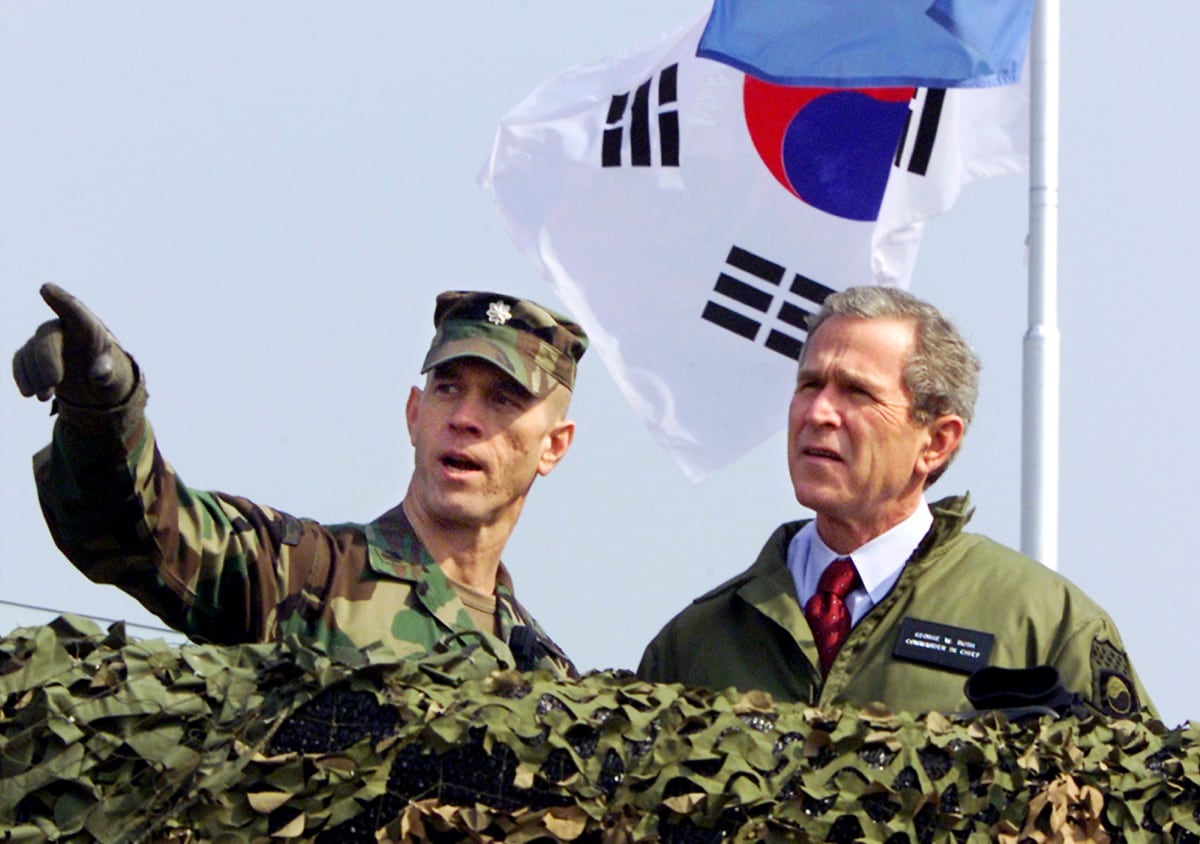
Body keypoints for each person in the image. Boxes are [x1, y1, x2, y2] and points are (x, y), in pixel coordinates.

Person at [13, 284, 587, 677]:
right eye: (448, 388)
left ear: (553, 446)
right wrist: (104, 405)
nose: (464, 417)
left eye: (502, 399)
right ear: (414, 413)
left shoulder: (545, 675)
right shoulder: (306, 575)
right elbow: (145, 531)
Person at [638, 286, 1154, 719]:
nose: (819, 412)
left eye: (857, 393)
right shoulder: (698, 641)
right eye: (810, 384)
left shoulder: (1044, 625)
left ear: (936, 442)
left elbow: (1147, 804)